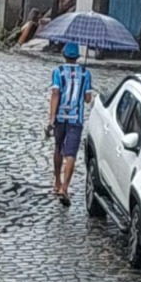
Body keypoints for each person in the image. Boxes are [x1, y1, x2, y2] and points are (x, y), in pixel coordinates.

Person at [46, 41, 92, 207]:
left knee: (58, 147)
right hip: (76, 119)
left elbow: (55, 94)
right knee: (71, 153)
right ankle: (65, 187)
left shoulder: (58, 71)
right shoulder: (86, 73)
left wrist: (51, 119)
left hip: (60, 118)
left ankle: (57, 181)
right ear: (78, 57)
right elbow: (88, 99)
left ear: (64, 55)